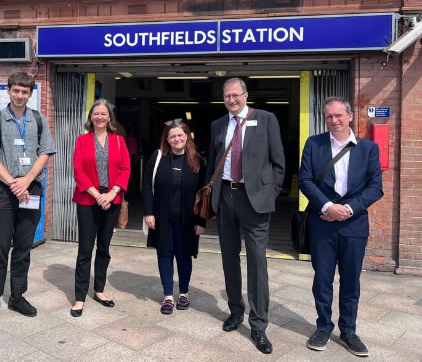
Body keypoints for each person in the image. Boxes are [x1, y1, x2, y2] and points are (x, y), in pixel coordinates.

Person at [299, 97, 383, 357]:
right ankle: (323, 326)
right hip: (322, 222)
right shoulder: (314, 144)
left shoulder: (368, 148)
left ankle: (349, 330)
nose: (334, 120)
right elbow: (305, 180)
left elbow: (375, 187)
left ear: (349, 116)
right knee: (322, 279)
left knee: (350, 280)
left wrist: (346, 209)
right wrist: (327, 207)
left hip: (354, 224)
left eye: (338, 115)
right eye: (328, 116)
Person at [206, 77, 285, 354]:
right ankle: (235, 311)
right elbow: (212, 164)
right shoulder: (218, 125)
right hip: (226, 196)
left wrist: (270, 193)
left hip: (255, 200)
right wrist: (211, 198)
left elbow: (278, 162)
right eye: (227, 96)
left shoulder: (265, 119)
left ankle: (259, 324)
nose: (231, 100)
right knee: (229, 258)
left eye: (236, 95)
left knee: (257, 262)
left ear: (245, 95)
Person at [0, 72, 56, 322]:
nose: (20, 95)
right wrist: (13, 183)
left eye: (25, 91)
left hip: (30, 189)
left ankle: (17, 296)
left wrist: (26, 181)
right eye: (16, 90)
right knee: (0, 246)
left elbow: (45, 152)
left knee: (23, 246)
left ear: (30, 94)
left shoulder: (39, 119)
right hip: (4, 189)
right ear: (9, 90)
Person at [70, 99, 130, 317]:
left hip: (111, 200)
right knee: (85, 249)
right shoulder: (82, 140)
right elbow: (78, 171)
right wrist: (97, 195)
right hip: (88, 200)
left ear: (109, 117)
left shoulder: (119, 141)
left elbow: (125, 169)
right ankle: (79, 297)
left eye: (104, 114)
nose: (100, 117)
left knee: (104, 248)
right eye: (96, 113)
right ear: (91, 117)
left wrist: (111, 194)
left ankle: (99, 290)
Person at [143, 119, 206, 314]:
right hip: (163, 218)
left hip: (188, 220)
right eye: (172, 136)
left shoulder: (198, 161)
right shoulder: (158, 157)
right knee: (164, 255)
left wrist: (201, 221)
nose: (177, 139)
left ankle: (184, 293)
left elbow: (205, 193)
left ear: (186, 136)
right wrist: (148, 212)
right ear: (167, 139)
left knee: (184, 255)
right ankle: (168, 296)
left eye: (180, 135)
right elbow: (146, 185)